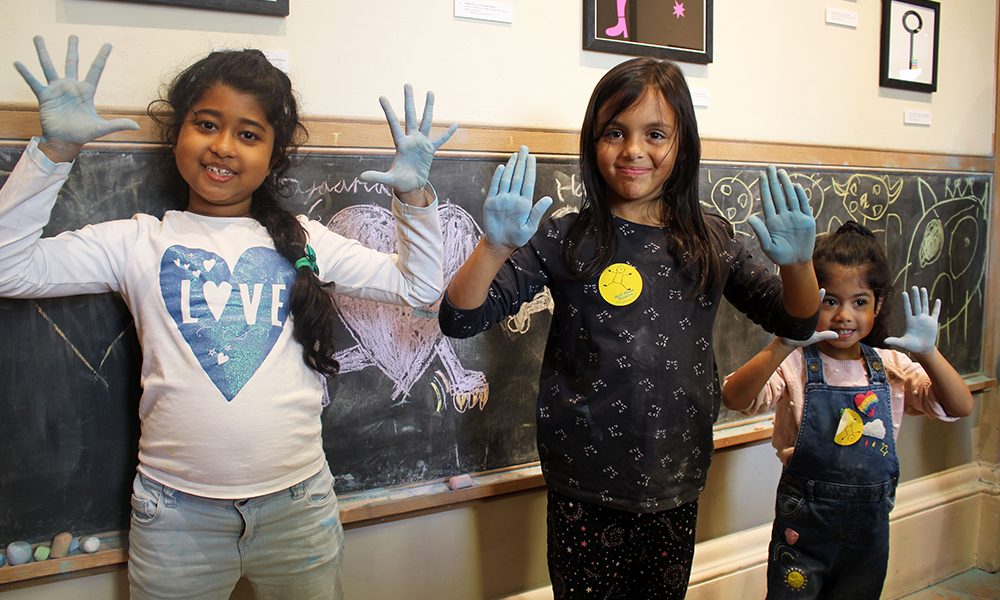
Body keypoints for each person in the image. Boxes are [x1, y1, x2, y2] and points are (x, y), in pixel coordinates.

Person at [2, 35, 455, 599]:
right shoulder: (139, 242)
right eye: (206, 124)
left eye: (248, 134)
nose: (223, 147)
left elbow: (421, 288)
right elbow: (7, 268)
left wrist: (415, 197)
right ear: (179, 134)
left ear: (273, 155)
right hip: (175, 518)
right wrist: (54, 152)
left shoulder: (306, 239)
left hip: (299, 507)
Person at [438, 56, 821, 599]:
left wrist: (799, 264)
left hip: (677, 479)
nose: (633, 150)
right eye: (614, 132)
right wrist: (494, 247)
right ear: (593, 143)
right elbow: (460, 318)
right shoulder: (567, 238)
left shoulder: (710, 239)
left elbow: (795, 319)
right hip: (582, 485)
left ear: (682, 144)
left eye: (655, 133)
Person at [721, 221, 974, 600]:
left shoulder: (892, 367)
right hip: (804, 529)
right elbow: (735, 398)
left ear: (878, 305)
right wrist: (781, 343)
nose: (844, 316)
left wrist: (928, 353)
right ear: (811, 300)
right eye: (830, 301)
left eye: (859, 302)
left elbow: (960, 406)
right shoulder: (796, 364)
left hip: (868, 536)